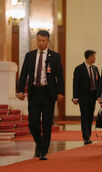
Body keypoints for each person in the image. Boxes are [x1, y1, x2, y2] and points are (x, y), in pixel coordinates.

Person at [17, 30, 65, 160]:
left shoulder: (55, 56)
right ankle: (39, 142)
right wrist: (20, 90)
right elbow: (23, 74)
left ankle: (43, 151)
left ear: (48, 41)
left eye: (44, 41)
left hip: (48, 93)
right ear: (36, 40)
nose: (41, 43)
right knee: (33, 122)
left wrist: (61, 92)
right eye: (39, 40)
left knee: (47, 122)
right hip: (34, 93)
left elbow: (59, 76)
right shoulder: (30, 56)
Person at [73, 50, 100, 145]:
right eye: (94, 56)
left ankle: (88, 134)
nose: (95, 58)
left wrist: (99, 96)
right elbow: (75, 83)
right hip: (83, 97)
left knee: (90, 116)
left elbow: (98, 83)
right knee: (85, 116)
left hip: (93, 97)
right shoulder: (79, 68)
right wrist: (75, 97)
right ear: (89, 57)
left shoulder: (95, 69)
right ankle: (86, 136)